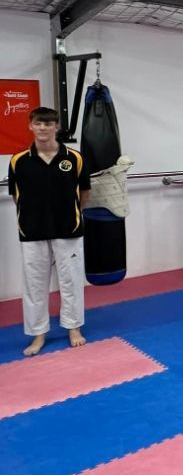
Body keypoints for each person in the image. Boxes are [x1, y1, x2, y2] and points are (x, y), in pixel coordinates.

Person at [8, 107, 91, 356]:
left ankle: (73, 328)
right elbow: (16, 196)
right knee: (34, 284)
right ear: (30, 126)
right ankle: (38, 334)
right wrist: (35, 215)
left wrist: (68, 213)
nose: (43, 128)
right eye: (38, 123)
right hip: (32, 229)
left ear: (56, 127)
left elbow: (85, 195)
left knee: (72, 281)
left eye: (48, 123)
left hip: (68, 228)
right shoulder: (18, 161)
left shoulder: (74, 158)